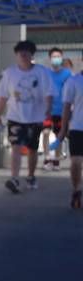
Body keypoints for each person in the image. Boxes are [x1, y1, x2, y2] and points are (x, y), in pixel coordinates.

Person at [0, 40, 53, 192]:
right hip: (15, 116)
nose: (23, 55)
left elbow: (49, 93)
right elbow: (2, 96)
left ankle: (31, 175)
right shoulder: (9, 73)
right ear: (16, 55)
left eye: (27, 52)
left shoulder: (42, 72)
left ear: (31, 55)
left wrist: (49, 109)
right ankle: (14, 178)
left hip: (36, 117)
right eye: (20, 53)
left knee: (33, 148)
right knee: (16, 147)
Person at [43, 48, 72, 170]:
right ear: (50, 58)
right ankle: (47, 158)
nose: (56, 58)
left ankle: (56, 158)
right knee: (45, 132)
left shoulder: (67, 74)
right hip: (47, 109)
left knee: (59, 134)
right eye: (54, 56)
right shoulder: (45, 73)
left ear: (62, 57)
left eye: (58, 56)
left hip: (62, 109)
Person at [58, 72, 83, 208]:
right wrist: (63, 129)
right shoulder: (73, 81)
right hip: (78, 127)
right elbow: (66, 107)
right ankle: (77, 190)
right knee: (76, 162)